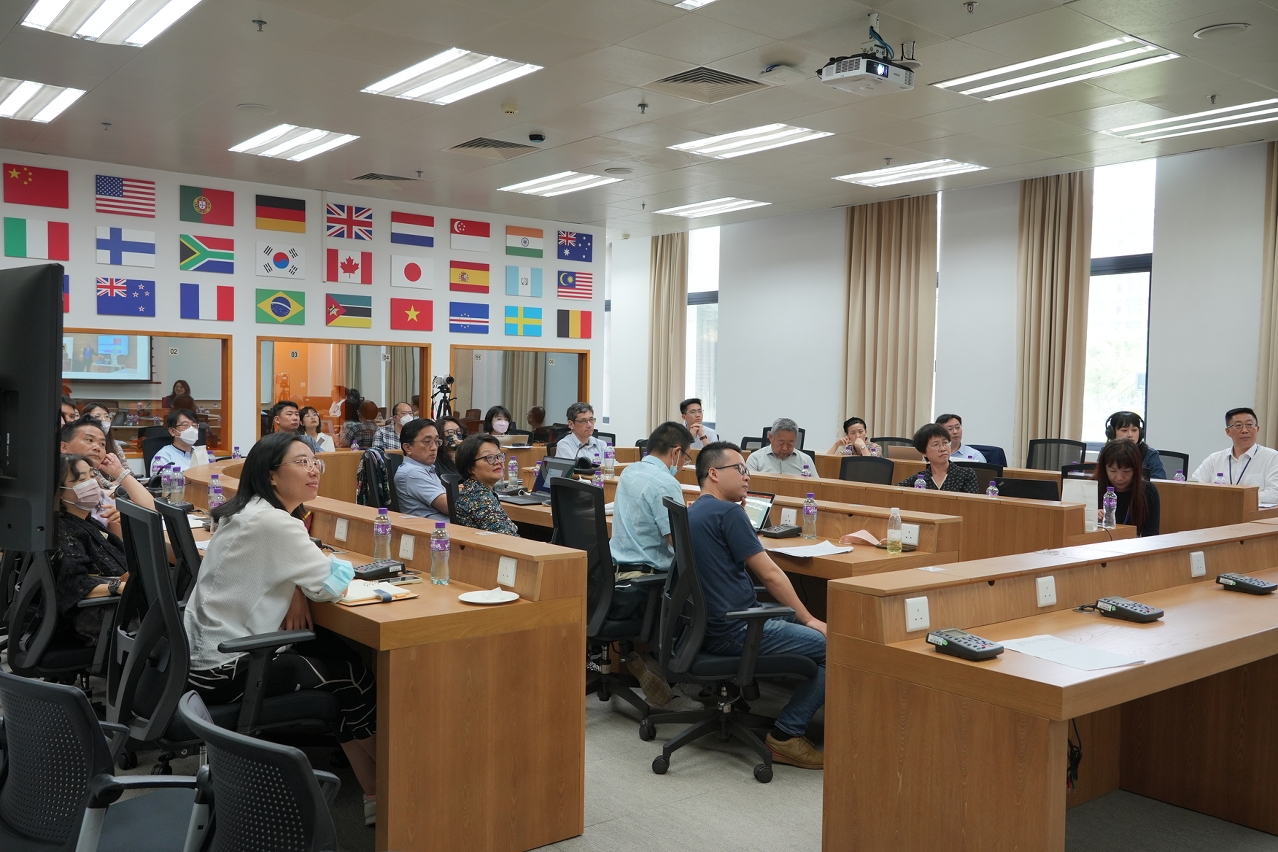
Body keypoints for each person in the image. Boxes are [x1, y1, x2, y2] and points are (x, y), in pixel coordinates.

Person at [181, 432, 377, 821]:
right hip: (227, 669)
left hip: (201, 660)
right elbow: (329, 586)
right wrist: (334, 568)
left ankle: (375, 792)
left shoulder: (245, 511)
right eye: (301, 462)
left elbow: (291, 572)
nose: (313, 470)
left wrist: (296, 585)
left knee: (336, 654)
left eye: (315, 462)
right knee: (353, 678)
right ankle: (399, 785)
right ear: (271, 475)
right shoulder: (276, 523)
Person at [689, 442, 826, 769]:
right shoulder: (729, 513)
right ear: (713, 474)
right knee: (834, 645)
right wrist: (809, 619)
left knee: (798, 624)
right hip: (735, 630)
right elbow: (771, 575)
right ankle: (787, 734)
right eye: (740, 469)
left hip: (705, 628)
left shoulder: (694, 510)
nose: (747, 476)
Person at [53, 453, 129, 646]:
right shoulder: (63, 531)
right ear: (59, 492)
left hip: (119, 606)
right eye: (81, 480)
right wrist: (119, 586)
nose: (91, 483)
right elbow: (74, 584)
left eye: (91, 476)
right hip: (99, 619)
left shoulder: (87, 521)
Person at [611, 422, 693, 577]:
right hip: (649, 578)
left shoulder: (628, 471)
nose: (683, 464)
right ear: (676, 452)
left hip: (617, 573)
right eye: (686, 457)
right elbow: (680, 543)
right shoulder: (666, 483)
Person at [60, 417, 156, 532]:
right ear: (63, 447)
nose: (97, 448)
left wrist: (119, 472)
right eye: (89, 440)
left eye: (102, 444)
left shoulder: (95, 487)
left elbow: (151, 510)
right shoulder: (56, 480)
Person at [1190, 407, 1278, 504]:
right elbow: (1194, 487)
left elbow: (1275, 494)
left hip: (1253, 512)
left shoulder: (1272, 457)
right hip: (1218, 510)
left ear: (1257, 429)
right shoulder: (1215, 459)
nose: (1244, 430)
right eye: (1238, 425)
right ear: (1228, 431)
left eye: (1249, 425)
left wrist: (1236, 497)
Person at [452, 435, 518, 536]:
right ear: (470, 468)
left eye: (499, 456)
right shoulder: (479, 497)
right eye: (489, 458)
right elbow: (507, 538)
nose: (498, 462)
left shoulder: (474, 490)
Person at [1094, 440, 1160, 536]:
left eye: (1126, 471)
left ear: (1136, 470)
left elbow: (1151, 534)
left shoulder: (1148, 491)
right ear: (1104, 469)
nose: (1119, 478)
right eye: (1112, 471)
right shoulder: (1093, 488)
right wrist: (1091, 518)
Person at [896, 423, 980, 493]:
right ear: (923, 452)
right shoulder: (920, 479)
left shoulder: (966, 475)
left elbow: (972, 504)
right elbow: (893, 491)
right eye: (936, 444)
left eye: (945, 443)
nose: (943, 449)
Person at [394, 419, 449, 522]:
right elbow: (450, 506)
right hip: (434, 529)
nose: (434, 448)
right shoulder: (412, 472)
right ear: (408, 447)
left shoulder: (425, 467)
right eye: (427, 442)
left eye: (437, 441)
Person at [1105, 411, 1166, 480]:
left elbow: (1159, 482)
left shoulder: (1150, 454)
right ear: (1112, 433)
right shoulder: (1106, 452)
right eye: (1124, 430)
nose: (1130, 435)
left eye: (1134, 430)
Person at [148, 408, 209, 477]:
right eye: (185, 425)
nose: (191, 429)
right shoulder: (163, 457)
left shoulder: (200, 452)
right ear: (172, 431)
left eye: (194, 425)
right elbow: (160, 482)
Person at [745, 418, 816, 476]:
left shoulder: (806, 460)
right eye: (781, 443)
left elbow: (816, 486)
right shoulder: (755, 459)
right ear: (771, 437)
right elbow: (749, 484)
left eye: (790, 444)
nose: (785, 448)